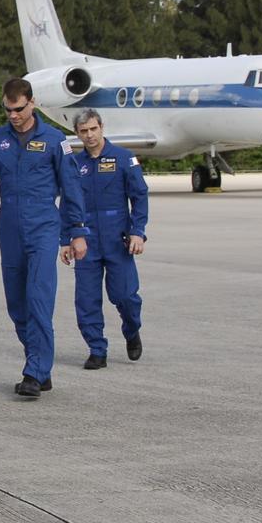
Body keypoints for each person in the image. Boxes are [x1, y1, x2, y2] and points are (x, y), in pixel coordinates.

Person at [0, 78, 88, 398]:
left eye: (18, 109)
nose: (13, 115)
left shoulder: (54, 140)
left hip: (44, 226)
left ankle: (34, 371)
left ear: (32, 103)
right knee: (17, 305)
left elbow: (71, 187)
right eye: (8, 109)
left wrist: (76, 232)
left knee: (38, 299)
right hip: (10, 228)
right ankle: (39, 362)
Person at [61, 109, 148, 368]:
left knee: (125, 295)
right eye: (83, 131)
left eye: (93, 129)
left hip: (117, 237)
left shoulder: (123, 158)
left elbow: (139, 196)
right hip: (84, 239)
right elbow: (66, 204)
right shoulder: (74, 164)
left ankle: (132, 330)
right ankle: (97, 348)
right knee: (86, 299)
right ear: (77, 133)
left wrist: (138, 231)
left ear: (101, 127)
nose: (89, 135)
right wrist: (65, 239)